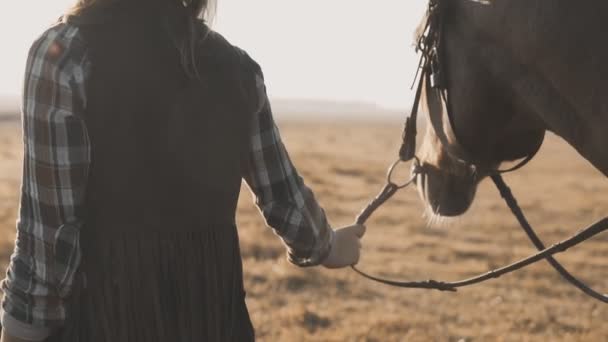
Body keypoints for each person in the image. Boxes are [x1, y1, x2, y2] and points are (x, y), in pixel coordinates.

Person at [0, 0, 365, 341]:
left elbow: (48, 240)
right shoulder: (238, 69)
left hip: (109, 320)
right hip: (216, 320)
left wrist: (19, 329)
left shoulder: (64, 58)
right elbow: (284, 198)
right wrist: (329, 245)